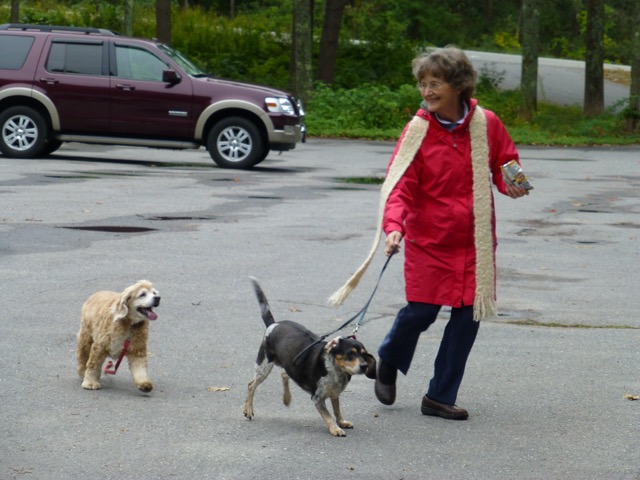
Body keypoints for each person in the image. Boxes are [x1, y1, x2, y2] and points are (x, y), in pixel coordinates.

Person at [329, 46, 529, 420]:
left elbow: (505, 163)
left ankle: (439, 396)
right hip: (430, 241)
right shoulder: (417, 130)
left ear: (458, 84)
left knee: (467, 319)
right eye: (423, 84)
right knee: (420, 313)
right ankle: (389, 358)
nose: (427, 91)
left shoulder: (486, 123)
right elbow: (400, 185)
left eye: (435, 83)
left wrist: (514, 184)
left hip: (475, 243)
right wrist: (394, 227)